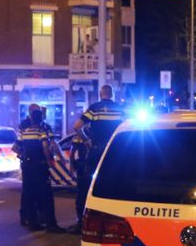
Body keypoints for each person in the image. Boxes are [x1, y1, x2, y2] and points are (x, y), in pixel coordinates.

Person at [70, 84, 124, 233]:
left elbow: (77, 126)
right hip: (115, 152)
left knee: (89, 187)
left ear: (101, 94)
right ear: (111, 94)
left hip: (96, 151)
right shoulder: (120, 109)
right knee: (115, 187)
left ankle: (85, 222)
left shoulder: (94, 108)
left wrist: (87, 141)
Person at [14, 104, 61, 232]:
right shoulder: (42, 128)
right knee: (45, 195)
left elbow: (15, 147)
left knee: (28, 194)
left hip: (27, 165)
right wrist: (50, 160)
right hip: (39, 165)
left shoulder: (23, 128)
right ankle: (50, 223)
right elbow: (47, 146)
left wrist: (23, 155)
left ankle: (30, 221)